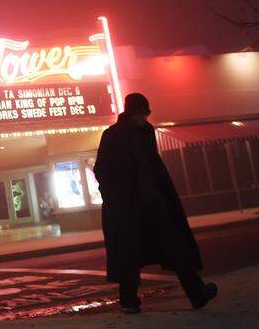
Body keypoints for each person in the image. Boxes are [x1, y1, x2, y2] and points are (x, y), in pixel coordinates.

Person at [93, 92, 217, 314]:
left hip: (145, 205)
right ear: (135, 112)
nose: (145, 117)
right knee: (142, 251)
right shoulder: (120, 135)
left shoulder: (137, 133)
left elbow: (139, 167)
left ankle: (194, 294)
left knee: (164, 248)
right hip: (136, 206)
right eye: (142, 113)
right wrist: (119, 195)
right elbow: (104, 170)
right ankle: (132, 300)